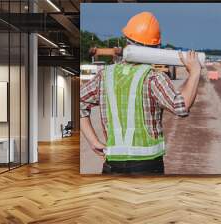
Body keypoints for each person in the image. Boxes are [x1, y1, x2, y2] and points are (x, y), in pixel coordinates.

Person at [80, 12, 201, 174]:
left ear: (126, 41)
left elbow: (78, 102)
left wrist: (93, 141)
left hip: (112, 165)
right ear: (156, 47)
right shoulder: (153, 77)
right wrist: (194, 73)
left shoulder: (104, 75)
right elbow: (181, 106)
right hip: (147, 167)